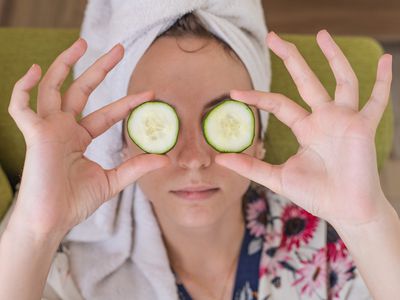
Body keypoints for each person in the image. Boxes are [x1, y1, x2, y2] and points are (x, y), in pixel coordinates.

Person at [0, 10, 399, 300]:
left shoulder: (337, 246)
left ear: (258, 136)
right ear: (122, 142)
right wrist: (35, 233)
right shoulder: (62, 273)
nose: (194, 159)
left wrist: (367, 223)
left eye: (224, 123)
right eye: (157, 125)